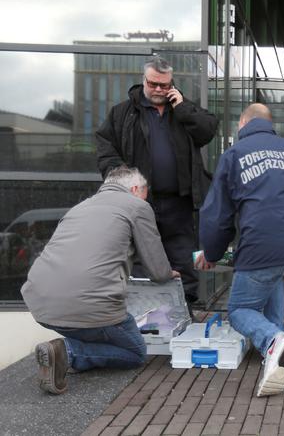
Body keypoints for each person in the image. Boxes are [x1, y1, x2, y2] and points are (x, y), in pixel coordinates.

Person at [196, 103, 284, 397]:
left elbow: (217, 214)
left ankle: (273, 340)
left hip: (264, 242)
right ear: (271, 124)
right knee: (272, 276)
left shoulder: (234, 155)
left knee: (241, 309)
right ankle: (274, 351)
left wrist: (212, 252)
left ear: (243, 123)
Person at [21, 166, 180, 395]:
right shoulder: (137, 206)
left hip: (40, 305)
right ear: (135, 189)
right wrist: (167, 273)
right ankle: (69, 352)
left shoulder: (79, 208)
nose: (147, 199)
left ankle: (69, 353)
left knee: (97, 329)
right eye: (145, 193)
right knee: (135, 353)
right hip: (92, 306)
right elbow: (156, 269)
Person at [95, 56, 218, 304]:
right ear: (144, 81)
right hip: (139, 203)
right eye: (153, 84)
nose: (159, 90)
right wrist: (124, 181)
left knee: (184, 260)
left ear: (171, 83)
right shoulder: (123, 112)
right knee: (142, 259)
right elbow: (105, 148)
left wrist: (182, 108)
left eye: (164, 85)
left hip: (180, 203)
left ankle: (183, 316)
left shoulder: (183, 108)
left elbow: (208, 131)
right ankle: (145, 318)